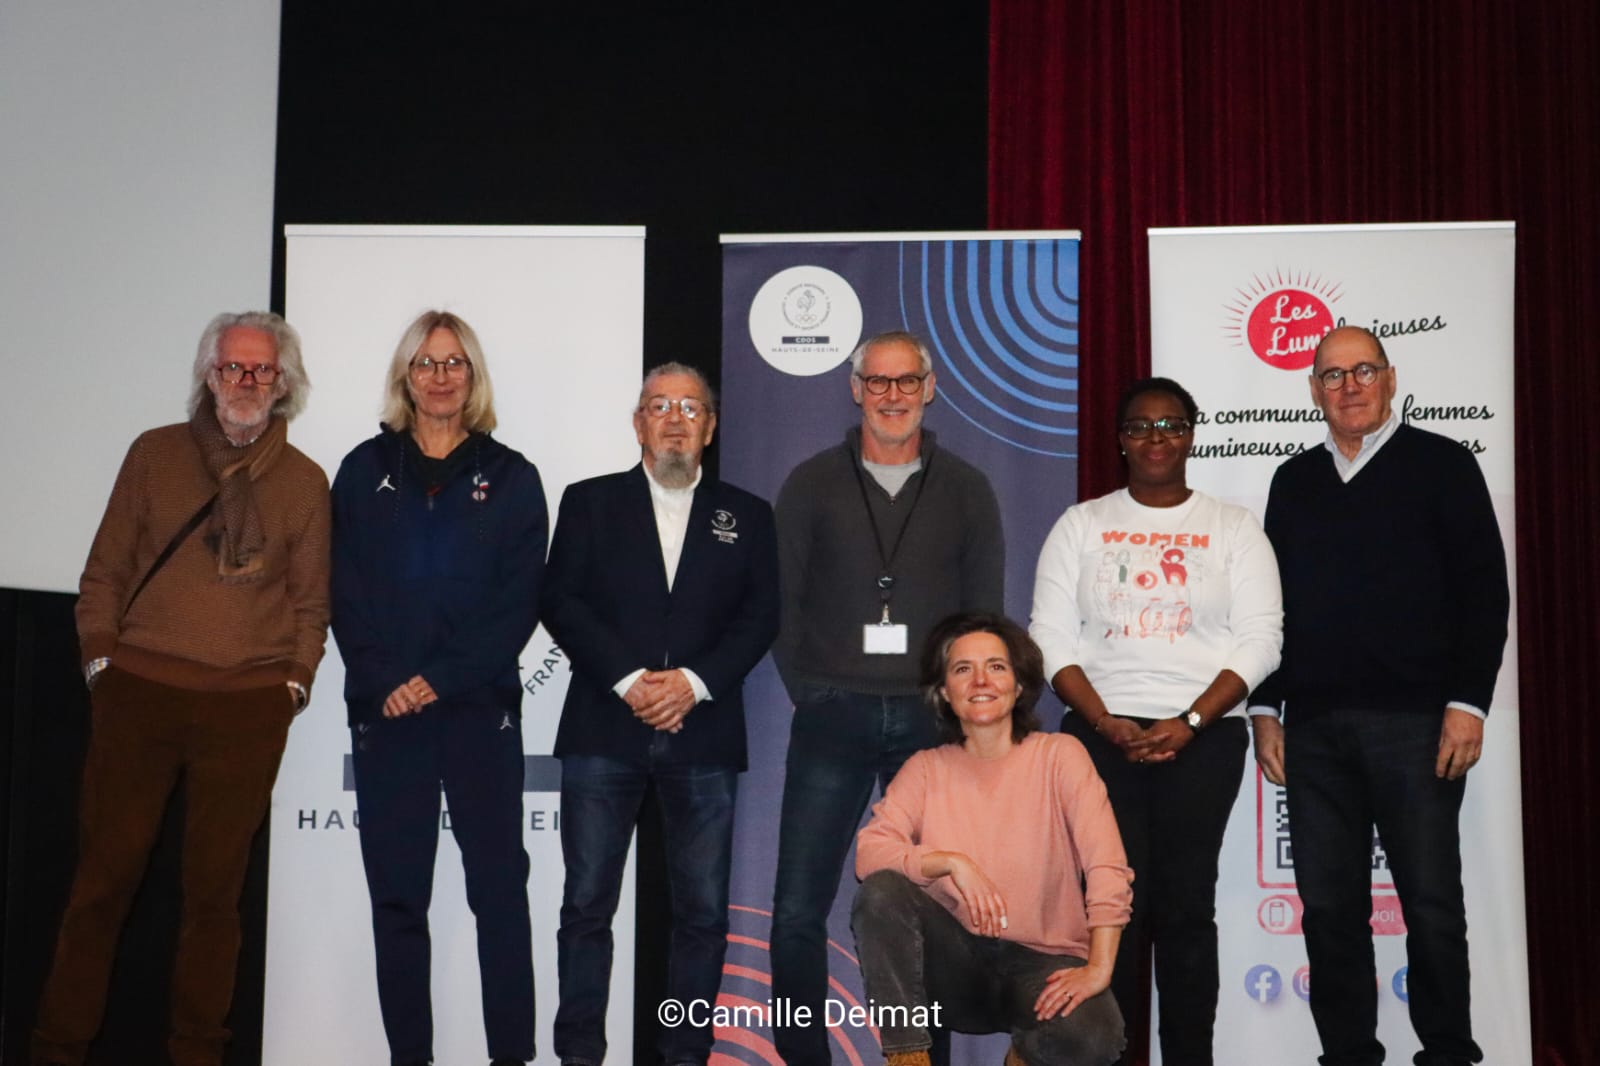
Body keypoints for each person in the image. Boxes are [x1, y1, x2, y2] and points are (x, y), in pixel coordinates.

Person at [32, 312, 329, 1066]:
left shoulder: (304, 481)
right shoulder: (154, 455)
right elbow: (103, 574)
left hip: (247, 709)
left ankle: (197, 1054)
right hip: (140, 697)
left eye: (262, 370)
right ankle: (57, 1047)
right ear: (208, 375)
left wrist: (291, 685)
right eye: (233, 367)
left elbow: (310, 603)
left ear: (283, 383)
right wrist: (102, 663)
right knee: (102, 886)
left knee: (213, 900)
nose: (247, 382)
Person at [1249, 326, 1508, 1066]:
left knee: (1430, 905)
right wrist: (1266, 710)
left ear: (1391, 379)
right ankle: (1349, 1056)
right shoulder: (1293, 482)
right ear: (1313, 390)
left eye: (1363, 370)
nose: (1350, 386)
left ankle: (1450, 1053)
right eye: (1332, 375)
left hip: (1418, 725)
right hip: (1316, 732)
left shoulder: (1443, 465)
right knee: (1330, 911)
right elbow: (1271, 608)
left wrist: (1469, 702)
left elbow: (1484, 595)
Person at [1029, 376, 1282, 1066]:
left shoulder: (1233, 527)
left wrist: (1194, 718)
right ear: (1120, 441)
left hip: (1200, 738)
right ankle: (1116, 1054)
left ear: (1192, 435)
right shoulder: (1080, 524)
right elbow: (1049, 639)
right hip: (1098, 736)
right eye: (1141, 426)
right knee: (1113, 909)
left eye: (1171, 424)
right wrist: (1106, 721)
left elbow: (1262, 639)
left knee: (1184, 908)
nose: (1157, 438)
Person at [770, 329, 1005, 1066]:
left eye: (907, 382)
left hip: (928, 726)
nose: (892, 396)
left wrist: (958, 709)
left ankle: (918, 1057)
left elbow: (983, 613)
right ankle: (802, 1056)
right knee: (798, 910)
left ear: (930, 389)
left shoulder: (966, 487)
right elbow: (780, 602)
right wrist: (809, 692)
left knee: (929, 906)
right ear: (855, 389)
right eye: (878, 382)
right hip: (832, 714)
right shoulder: (810, 482)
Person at [543, 363, 780, 1066]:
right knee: (586, 908)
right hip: (602, 728)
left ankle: (685, 1056)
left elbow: (761, 615)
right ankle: (579, 1054)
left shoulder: (750, 513)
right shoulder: (588, 502)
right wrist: (630, 681)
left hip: (702, 733)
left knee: (703, 916)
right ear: (638, 422)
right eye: (658, 406)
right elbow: (561, 601)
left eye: (690, 407)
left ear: (710, 426)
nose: (674, 419)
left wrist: (695, 684)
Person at [330, 310, 546, 1066]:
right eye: (426, 362)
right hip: (387, 715)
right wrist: (388, 680)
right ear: (405, 377)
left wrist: (439, 680)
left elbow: (518, 603)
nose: (441, 375)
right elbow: (343, 589)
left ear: (473, 377)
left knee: (499, 898)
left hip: (477, 711)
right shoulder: (362, 471)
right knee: (398, 903)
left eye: (455, 362)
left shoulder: (514, 476)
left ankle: (512, 1057)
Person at [853, 611, 1131, 1066]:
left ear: (1019, 686)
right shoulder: (925, 768)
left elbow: (1107, 866)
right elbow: (869, 854)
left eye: (996, 667)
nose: (980, 680)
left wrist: (1099, 968)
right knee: (882, 892)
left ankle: (1023, 1055)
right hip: (956, 964)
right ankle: (906, 1058)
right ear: (945, 692)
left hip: (1043, 964)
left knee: (1096, 1037)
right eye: (963, 669)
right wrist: (948, 862)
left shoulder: (1060, 755)